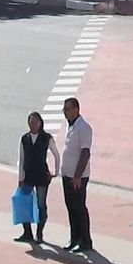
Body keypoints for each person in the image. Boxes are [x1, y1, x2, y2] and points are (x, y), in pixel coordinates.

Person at [16, 111, 57, 245]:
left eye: (34, 122)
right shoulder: (24, 138)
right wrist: (20, 178)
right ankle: (27, 232)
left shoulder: (47, 138)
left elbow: (56, 154)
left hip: (41, 175)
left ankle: (40, 232)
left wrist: (54, 172)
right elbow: (21, 160)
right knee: (24, 203)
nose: (32, 125)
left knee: (41, 204)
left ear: (40, 123)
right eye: (30, 122)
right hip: (28, 175)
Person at [58, 96, 93, 253]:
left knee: (79, 208)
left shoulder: (83, 128)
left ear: (76, 109)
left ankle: (86, 240)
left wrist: (78, 175)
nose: (65, 113)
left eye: (67, 109)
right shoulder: (70, 126)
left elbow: (85, 153)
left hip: (77, 177)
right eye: (64, 110)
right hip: (67, 174)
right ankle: (74, 238)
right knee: (70, 207)